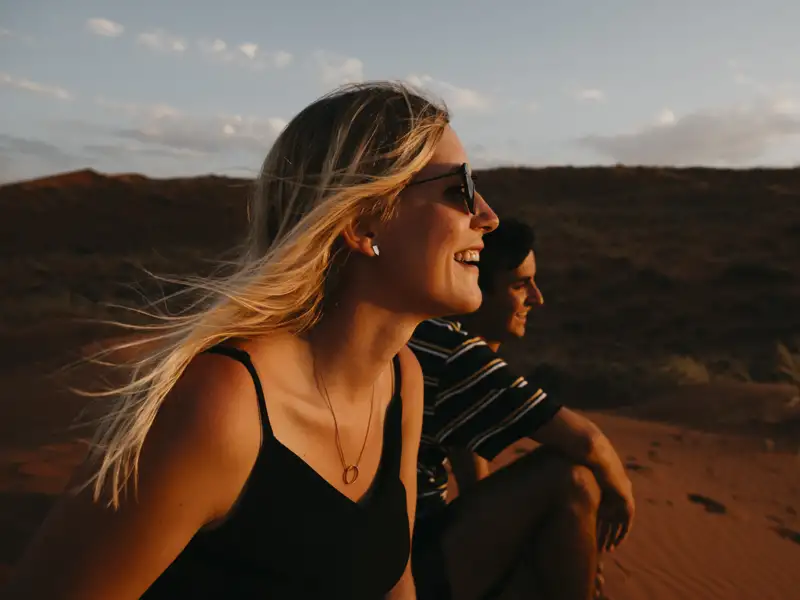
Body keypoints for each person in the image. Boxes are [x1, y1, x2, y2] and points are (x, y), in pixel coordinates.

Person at [4, 81, 501, 600]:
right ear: (361, 220)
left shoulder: (402, 379)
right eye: (459, 188)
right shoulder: (218, 404)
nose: (488, 216)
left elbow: (394, 583)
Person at [408, 217, 635, 600]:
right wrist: (621, 495)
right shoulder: (455, 354)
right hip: (405, 567)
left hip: (403, 551)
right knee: (570, 478)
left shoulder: (422, 334)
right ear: (474, 287)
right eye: (519, 284)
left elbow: (473, 481)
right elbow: (588, 441)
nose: (536, 297)